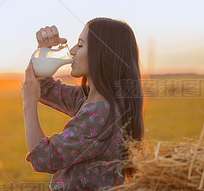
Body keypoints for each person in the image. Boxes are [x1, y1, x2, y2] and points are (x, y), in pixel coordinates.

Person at [22, 17, 145, 190]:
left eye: (80, 45)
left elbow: (44, 157)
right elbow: (45, 86)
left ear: (102, 54)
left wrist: (28, 105)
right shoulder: (90, 99)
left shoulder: (100, 110)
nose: (71, 51)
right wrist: (43, 50)